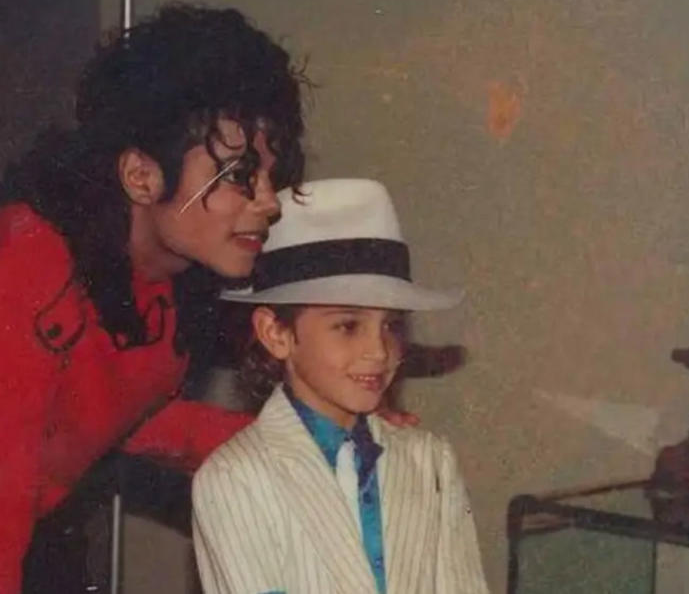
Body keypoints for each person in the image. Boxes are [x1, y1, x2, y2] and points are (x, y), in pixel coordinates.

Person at [0, 4, 309, 594]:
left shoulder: (166, 274)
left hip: (14, 522)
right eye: (239, 176)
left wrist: (316, 437)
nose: (270, 202)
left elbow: (122, 417)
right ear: (140, 175)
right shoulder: (21, 263)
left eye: (271, 175)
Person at [192, 178, 490, 594]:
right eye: (348, 326)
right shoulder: (235, 477)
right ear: (276, 333)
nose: (379, 351)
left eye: (391, 325)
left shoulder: (430, 462)